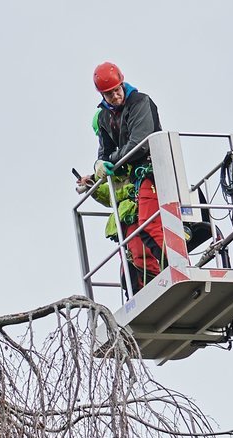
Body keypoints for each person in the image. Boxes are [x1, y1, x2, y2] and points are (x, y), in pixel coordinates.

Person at [76, 61, 165, 292]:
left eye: (117, 90)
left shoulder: (140, 102)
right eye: (109, 93)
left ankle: (177, 270)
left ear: (122, 83)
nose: (115, 96)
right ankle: (152, 288)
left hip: (151, 172)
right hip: (133, 184)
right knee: (134, 246)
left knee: (149, 225)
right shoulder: (105, 118)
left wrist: (111, 162)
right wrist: (97, 168)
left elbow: (139, 143)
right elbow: (104, 153)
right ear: (102, 94)